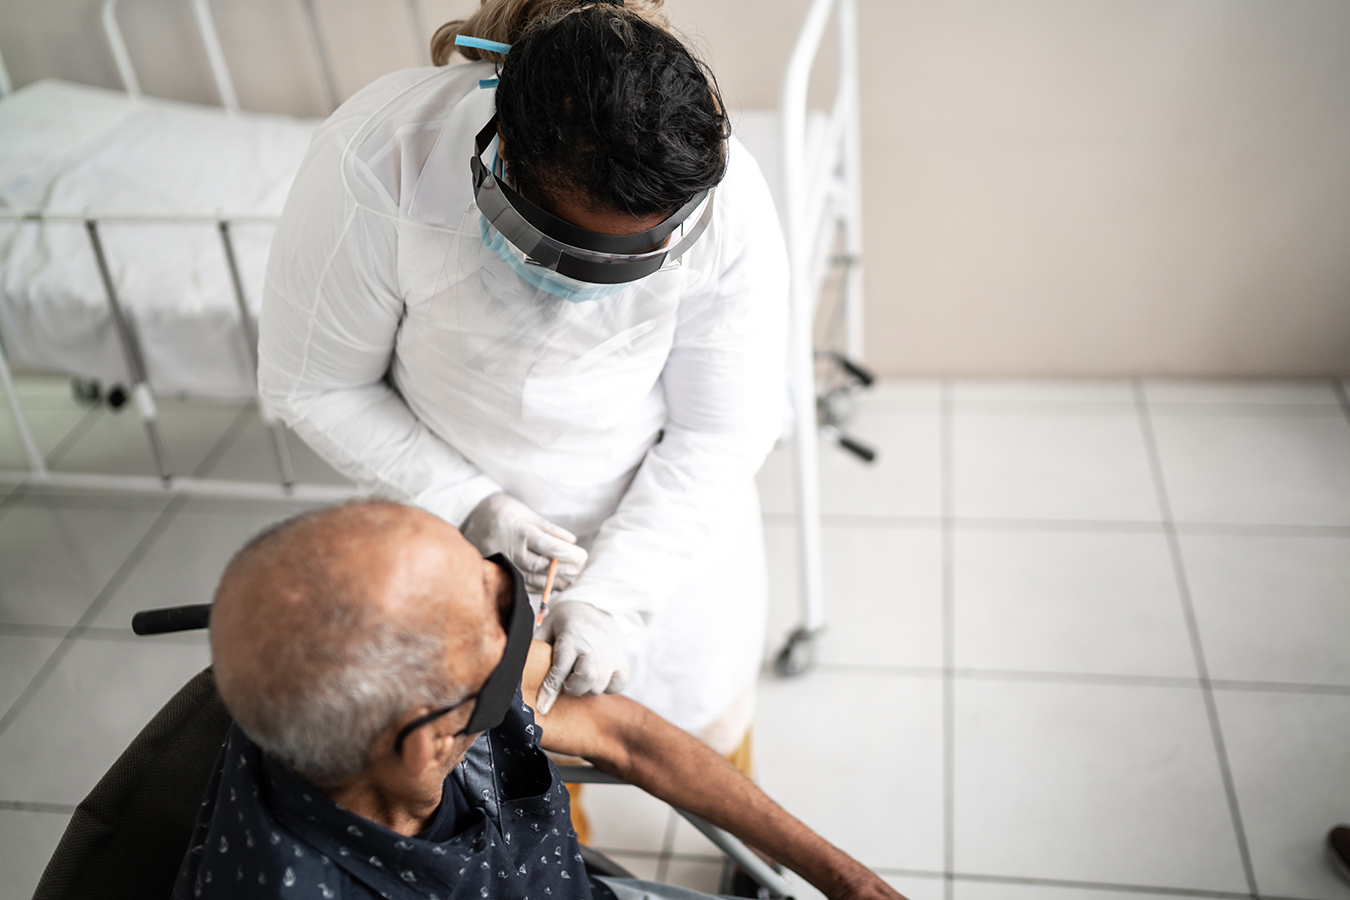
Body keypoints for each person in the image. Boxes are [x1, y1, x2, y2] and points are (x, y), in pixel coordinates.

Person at [257, 0, 786, 778]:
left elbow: (721, 430)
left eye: (634, 257)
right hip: (462, 535)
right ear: (499, 149)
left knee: (701, 724)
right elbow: (314, 385)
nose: (591, 286)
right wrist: (468, 503)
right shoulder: (381, 160)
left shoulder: (726, 196)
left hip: (667, 526)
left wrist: (616, 595)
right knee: (521, 759)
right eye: (566, 251)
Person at [173, 501, 903, 900]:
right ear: (432, 743)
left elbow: (630, 738)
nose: (526, 648)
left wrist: (851, 884)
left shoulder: (402, 673)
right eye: (502, 638)